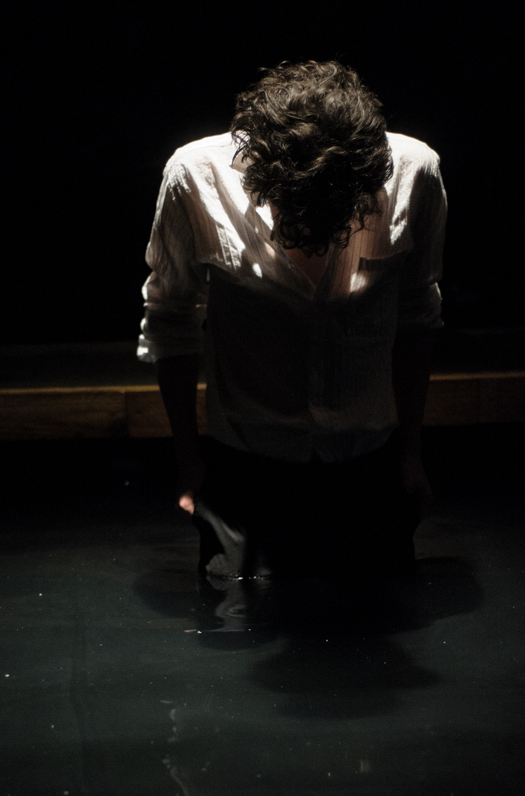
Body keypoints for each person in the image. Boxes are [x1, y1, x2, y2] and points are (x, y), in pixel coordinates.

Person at [138, 60, 447, 587]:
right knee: (235, 615)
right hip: (244, 468)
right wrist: (189, 463)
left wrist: (412, 453)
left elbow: (417, 314)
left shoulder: (414, 172)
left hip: (369, 461)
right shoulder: (195, 177)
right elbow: (170, 320)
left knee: (378, 611)